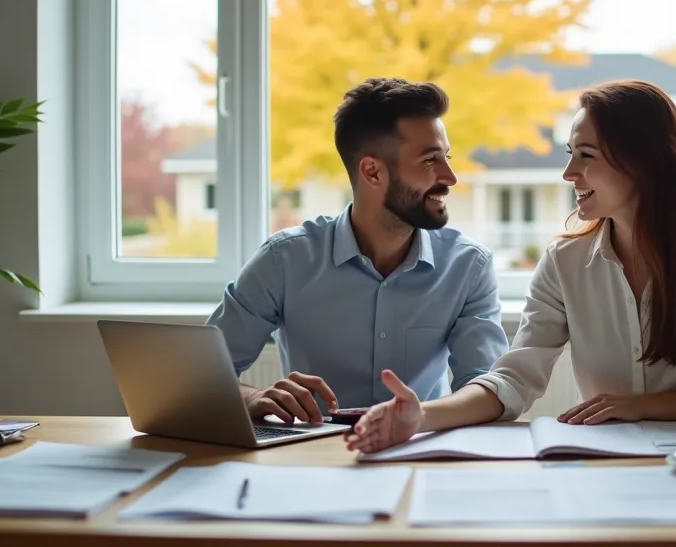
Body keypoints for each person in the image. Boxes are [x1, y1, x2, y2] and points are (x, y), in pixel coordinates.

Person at [345, 79, 676, 453]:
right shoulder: (565, 260)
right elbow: (515, 379)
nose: (568, 172)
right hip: (604, 465)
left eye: (587, 155)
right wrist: (421, 416)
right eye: (570, 153)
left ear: (645, 162)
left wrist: (641, 405)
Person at [205, 77, 509, 425]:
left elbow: (488, 388)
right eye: (429, 161)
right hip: (312, 458)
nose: (450, 177)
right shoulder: (284, 260)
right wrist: (255, 398)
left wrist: (416, 418)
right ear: (372, 172)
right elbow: (199, 376)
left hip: (418, 452)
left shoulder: (468, 266)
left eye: (447, 157)